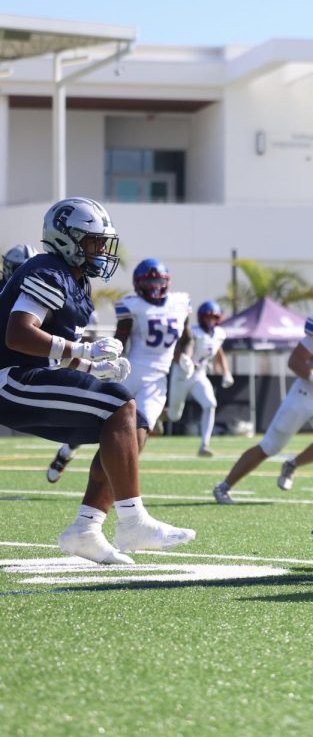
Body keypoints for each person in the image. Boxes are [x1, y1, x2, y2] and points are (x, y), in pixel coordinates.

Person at [1, 197, 194, 563]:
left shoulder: (77, 282)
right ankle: (134, 521)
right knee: (119, 403)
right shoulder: (47, 270)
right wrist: (83, 353)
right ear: (65, 239)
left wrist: (91, 366)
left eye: (103, 241)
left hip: (31, 378)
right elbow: (19, 335)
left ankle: (86, 529)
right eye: (93, 241)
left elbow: (57, 353)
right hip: (9, 380)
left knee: (133, 424)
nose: (101, 249)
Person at [212, 279, 313, 503]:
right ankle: (224, 486)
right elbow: (295, 361)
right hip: (304, 395)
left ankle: (292, 464)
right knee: (269, 446)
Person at [45, 256, 192, 483]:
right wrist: (113, 361)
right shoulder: (132, 305)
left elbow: (186, 338)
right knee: (94, 419)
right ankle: (67, 451)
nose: (154, 288)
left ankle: (114, 486)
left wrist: (184, 357)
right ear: (138, 284)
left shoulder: (180, 303)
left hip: (157, 380)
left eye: (157, 283)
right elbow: (120, 337)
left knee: (140, 432)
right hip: (131, 371)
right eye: (149, 283)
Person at [166, 300, 234, 457]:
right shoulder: (194, 332)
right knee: (174, 416)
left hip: (199, 375)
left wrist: (226, 372)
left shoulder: (219, 334)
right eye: (207, 317)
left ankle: (204, 444)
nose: (210, 320)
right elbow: (176, 352)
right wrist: (186, 360)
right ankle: (158, 416)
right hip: (182, 374)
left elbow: (219, 352)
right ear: (201, 318)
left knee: (210, 404)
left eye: (213, 317)